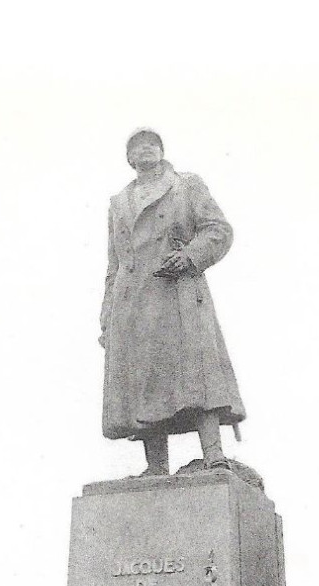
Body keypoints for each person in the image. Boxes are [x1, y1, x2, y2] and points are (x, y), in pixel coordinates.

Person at [100, 129, 246, 475]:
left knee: (196, 372)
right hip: (133, 301)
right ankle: (156, 465)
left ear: (162, 151)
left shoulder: (186, 185)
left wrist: (192, 256)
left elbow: (218, 230)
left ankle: (213, 455)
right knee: (144, 380)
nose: (145, 149)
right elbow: (114, 263)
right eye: (136, 146)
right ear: (129, 159)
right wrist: (107, 315)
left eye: (152, 143)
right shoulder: (119, 203)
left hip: (177, 292)